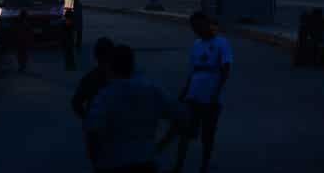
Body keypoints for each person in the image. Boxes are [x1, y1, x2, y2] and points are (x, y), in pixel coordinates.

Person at [85, 43, 187, 172]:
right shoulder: (152, 90)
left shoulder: (105, 96)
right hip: (145, 161)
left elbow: (92, 132)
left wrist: (96, 160)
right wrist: (161, 145)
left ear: (109, 67)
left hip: (114, 163)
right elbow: (182, 117)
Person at [169, 11, 232, 173]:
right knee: (185, 133)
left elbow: (225, 70)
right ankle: (178, 166)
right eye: (193, 27)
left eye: (198, 26)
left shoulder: (221, 43)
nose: (196, 30)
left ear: (206, 24)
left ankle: (204, 166)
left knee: (207, 136)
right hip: (193, 96)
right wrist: (183, 94)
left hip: (210, 98)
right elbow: (192, 73)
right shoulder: (196, 45)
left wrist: (216, 94)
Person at [71, 36, 114, 119]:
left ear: (96, 55)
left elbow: (76, 103)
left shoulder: (90, 77)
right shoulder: (121, 77)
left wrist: (87, 119)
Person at [14, 8, 33, 73]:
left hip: (20, 40)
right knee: (23, 53)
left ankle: (21, 65)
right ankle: (22, 65)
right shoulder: (26, 24)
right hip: (22, 40)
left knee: (21, 53)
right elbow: (29, 32)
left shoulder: (19, 23)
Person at [62, 3, 77, 71]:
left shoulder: (68, 22)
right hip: (69, 38)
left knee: (69, 52)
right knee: (69, 52)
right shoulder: (71, 18)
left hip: (68, 38)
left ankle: (69, 65)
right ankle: (70, 65)